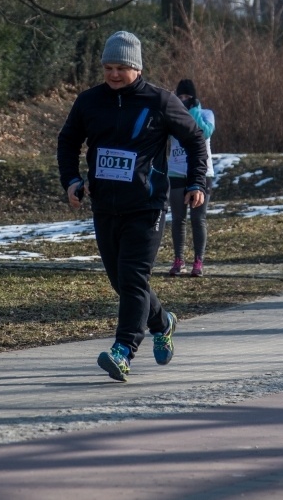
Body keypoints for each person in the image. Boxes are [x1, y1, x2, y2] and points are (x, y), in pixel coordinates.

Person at [57, 31, 208, 382]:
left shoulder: (161, 101)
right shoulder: (89, 101)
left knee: (134, 277)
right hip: (105, 206)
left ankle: (123, 350)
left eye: (120, 67)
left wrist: (197, 181)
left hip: (147, 206)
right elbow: (68, 140)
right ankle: (162, 322)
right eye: (108, 67)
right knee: (123, 282)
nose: (112, 74)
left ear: (136, 68)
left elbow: (195, 139)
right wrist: (71, 180)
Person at [168, 79, 216, 277]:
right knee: (178, 219)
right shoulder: (171, 114)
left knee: (198, 219)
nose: (184, 100)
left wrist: (193, 110)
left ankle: (198, 261)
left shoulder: (206, 114)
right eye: (181, 97)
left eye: (188, 97)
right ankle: (179, 260)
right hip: (176, 172)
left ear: (194, 98)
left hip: (202, 173)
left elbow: (204, 132)